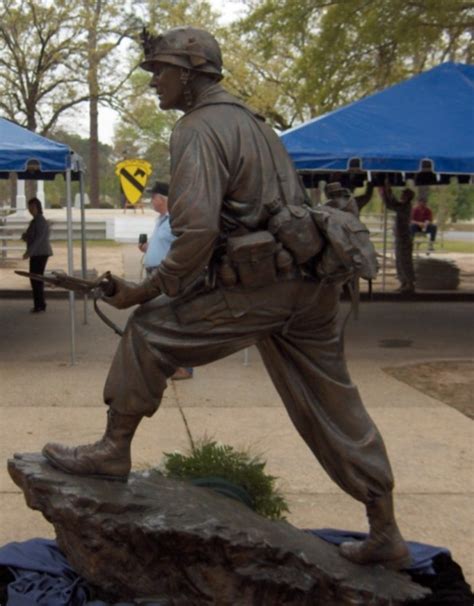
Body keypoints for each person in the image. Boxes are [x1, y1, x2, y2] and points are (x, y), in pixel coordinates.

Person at [42, 26, 409, 570]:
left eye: (160, 72)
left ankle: (112, 450)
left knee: (148, 331)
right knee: (336, 403)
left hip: (262, 287)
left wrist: (143, 290)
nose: (154, 84)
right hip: (310, 287)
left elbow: (193, 233)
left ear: (190, 75)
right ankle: (386, 528)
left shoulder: (198, 128)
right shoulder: (257, 126)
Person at [139, 181, 193, 380]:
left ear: (162, 199)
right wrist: (147, 249)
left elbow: (184, 246)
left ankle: (185, 367)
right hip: (155, 274)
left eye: (152, 198)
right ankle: (164, 362)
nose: (151, 201)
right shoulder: (161, 221)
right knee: (158, 320)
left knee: (176, 321)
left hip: (167, 276)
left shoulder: (176, 221)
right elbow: (163, 245)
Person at [380, 183, 416, 294]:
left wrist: (387, 193)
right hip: (400, 237)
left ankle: (409, 283)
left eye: (403, 194)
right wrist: (387, 192)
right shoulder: (403, 205)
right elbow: (392, 203)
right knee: (400, 261)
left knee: (405, 261)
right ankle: (404, 282)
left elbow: (391, 205)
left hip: (404, 238)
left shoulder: (405, 206)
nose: (401, 196)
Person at [21, 197, 53, 313]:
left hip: (40, 253)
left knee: (36, 279)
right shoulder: (35, 220)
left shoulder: (39, 220)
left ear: (38, 208)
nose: (30, 209)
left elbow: (39, 239)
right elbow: (32, 235)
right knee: (36, 279)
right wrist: (25, 236)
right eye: (29, 207)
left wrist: (28, 252)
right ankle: (40, 304)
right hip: (37, 253)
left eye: (33, 207)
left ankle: (39, 305)